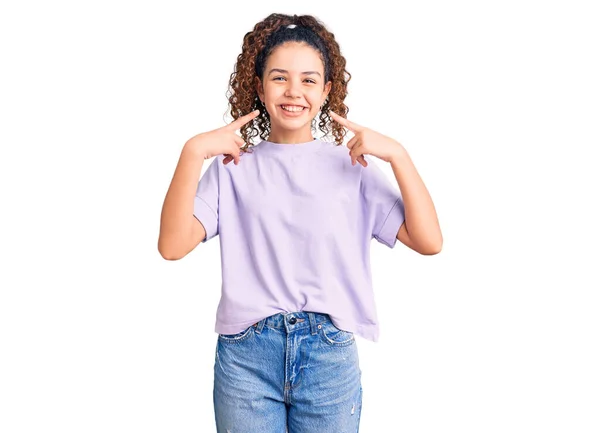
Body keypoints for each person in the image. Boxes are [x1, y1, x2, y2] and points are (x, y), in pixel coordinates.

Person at [158, 12, 442, 433]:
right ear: (257, 86)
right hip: (246, 356)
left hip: (327, 355)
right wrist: (192, 152)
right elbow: (172, 245)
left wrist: (399, 155)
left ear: (327, 90)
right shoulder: (232, 167)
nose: (294, 92)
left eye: (309, 80)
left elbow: (429, 240)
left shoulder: (353, 167)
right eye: (279, 78)